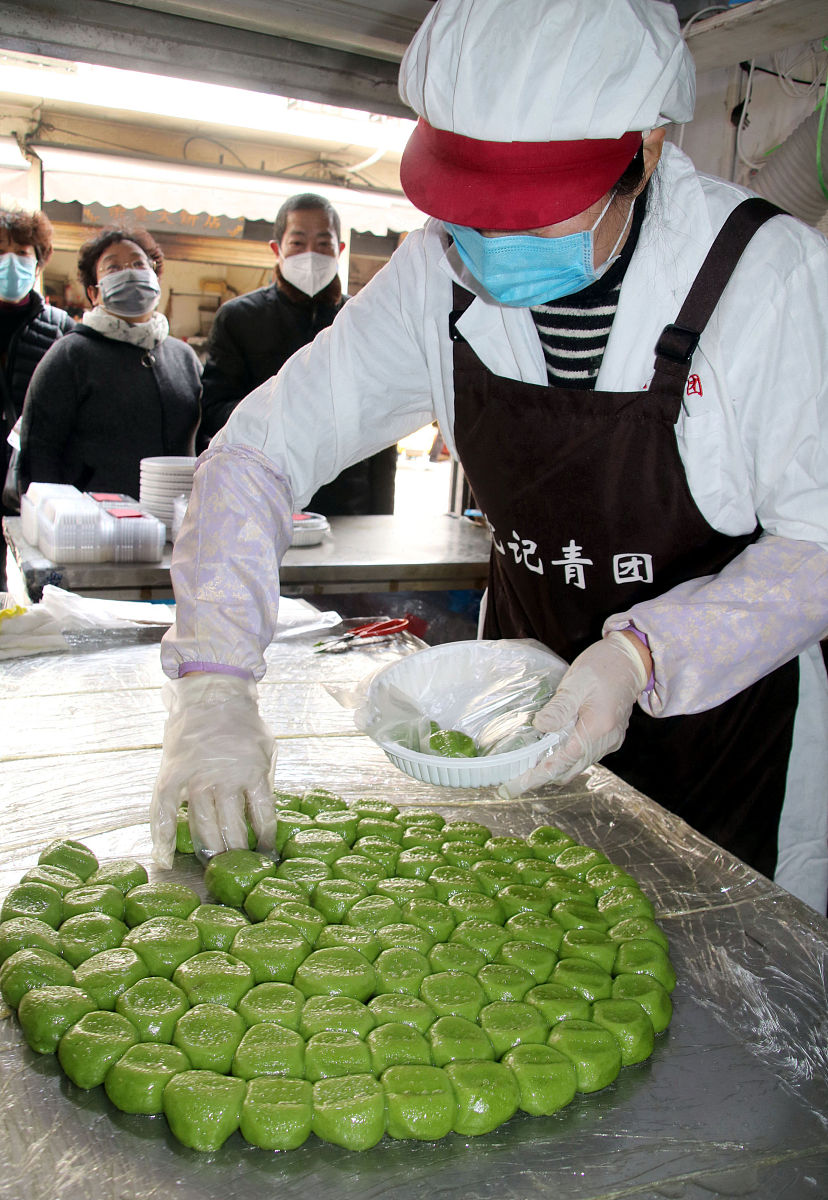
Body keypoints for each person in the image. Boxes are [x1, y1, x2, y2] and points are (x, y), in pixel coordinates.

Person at [151, 0, 828, 916]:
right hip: (516, 731)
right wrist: (214, 685)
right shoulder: (437, 275)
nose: (495, 247)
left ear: (649, 149)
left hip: (732, 745)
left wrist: (641, 656)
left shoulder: (768, 275)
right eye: (473, 215)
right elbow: (261, 452)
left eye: (536, 216)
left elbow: (819, 542)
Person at [197, 191, 397, 514]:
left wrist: (381, 515)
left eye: (323, 244)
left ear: (339, 250)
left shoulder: (362, 319)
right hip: (260, 503)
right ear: (277, 249)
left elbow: (385, 428)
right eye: (297, 243)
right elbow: (216, 411)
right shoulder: (238, 319)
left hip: (346, 506)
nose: (311, 254)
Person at [19, 227, 201, 500]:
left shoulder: (184, 357)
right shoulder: (70, 355)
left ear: (155, 277)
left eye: (139, 263)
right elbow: (40, 452)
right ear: (94, 293)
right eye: (113, 267)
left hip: (176, 520)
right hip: (94, 525)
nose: (129, 272)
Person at [0, 208, 74, 587]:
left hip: (30, 477)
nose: (10, 262)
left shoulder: (61, 328)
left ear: (40, 259)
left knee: (38, 582)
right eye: (0, 251)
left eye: (22, 252)